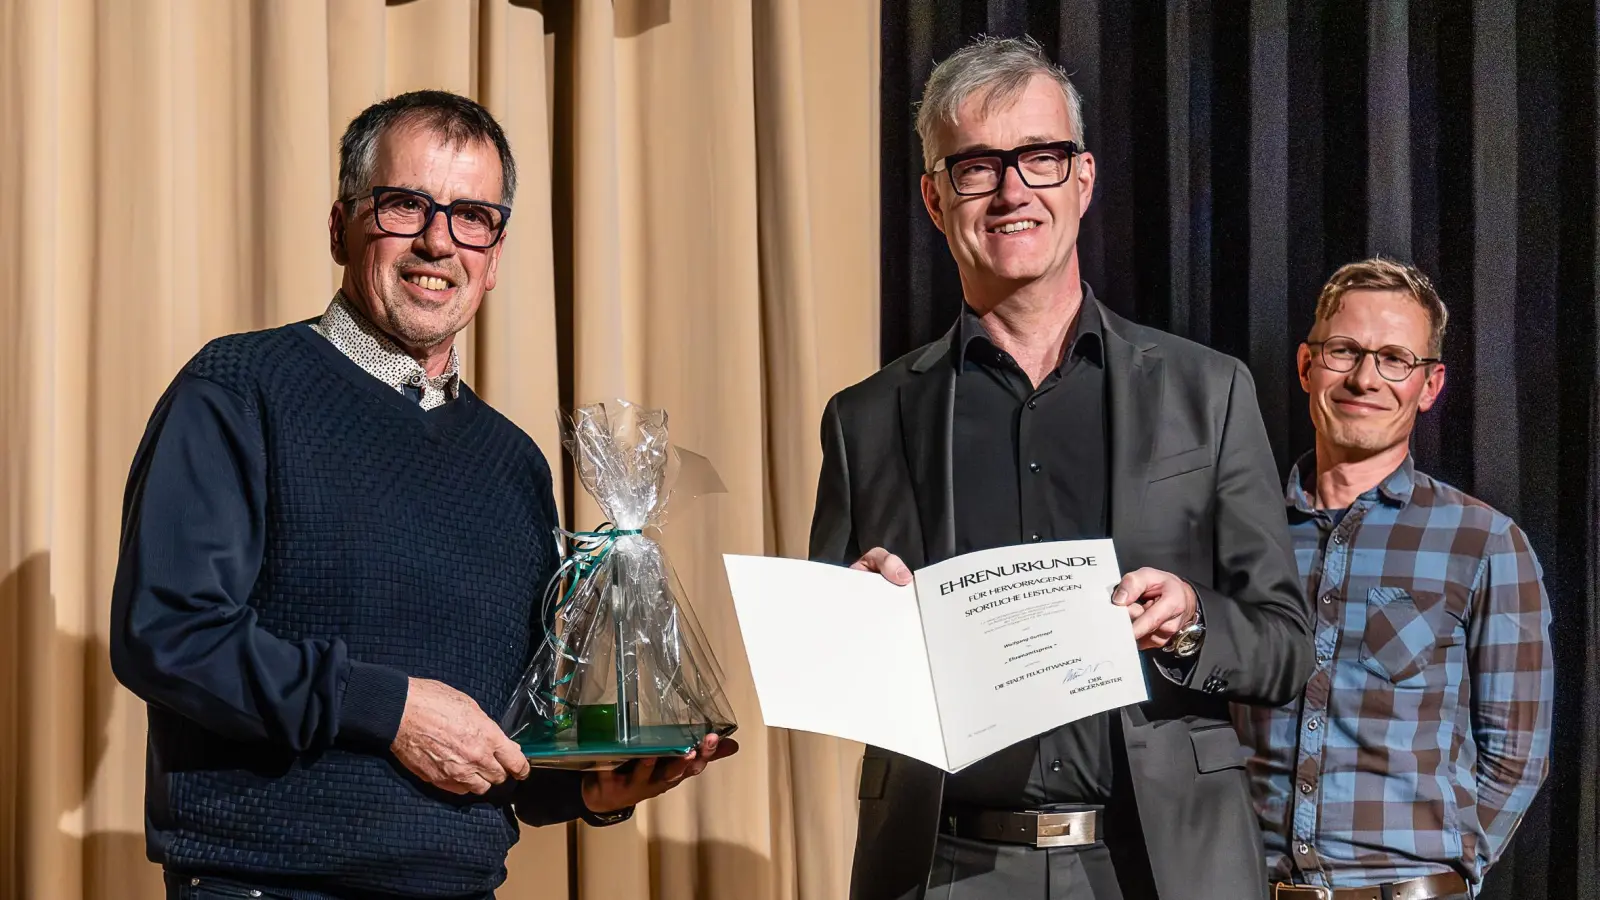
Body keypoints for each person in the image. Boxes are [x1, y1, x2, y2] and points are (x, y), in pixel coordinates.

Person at [109, 90, 734, 900]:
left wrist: (589, 787)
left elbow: (496, 737)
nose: (438, 241)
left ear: (495, 257)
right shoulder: (239, 388)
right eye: (406, 205)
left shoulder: (514, 463)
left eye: (472, 217)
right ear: (340, 227)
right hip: (265, 884)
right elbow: (167, 634)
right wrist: (391, 708)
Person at [810, 35, 1313, 900]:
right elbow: (827, 668)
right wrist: (860, 625)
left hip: (1159, 868)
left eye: (1039, 157)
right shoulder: (865, 420)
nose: (1013, 191)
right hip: (946, 869)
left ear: (1082, 179)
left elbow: (1286, 648)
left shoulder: (1208, 391)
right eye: (977, 166)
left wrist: (1191, 624)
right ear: (935, 198)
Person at [1231, 258, 1553, 900]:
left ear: (1429, 386)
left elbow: (1516, 756)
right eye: (1344, 351)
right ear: (1306, 366)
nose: (1364, 378)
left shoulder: (1484, 542)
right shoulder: (1241, 530)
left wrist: (1442, 879)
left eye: (1394, 359)